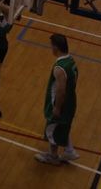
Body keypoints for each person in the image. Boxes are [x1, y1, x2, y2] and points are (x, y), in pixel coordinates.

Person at [36, 33, 80, 165]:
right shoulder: (71, 61)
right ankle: (69, 151)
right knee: (62, 126)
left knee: (52, 129)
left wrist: (57, 107)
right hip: (71, 101)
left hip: (61, 103)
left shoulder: (59, 68)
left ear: (56, 47)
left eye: (51, 46)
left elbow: (61, 91)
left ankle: (53, 156)